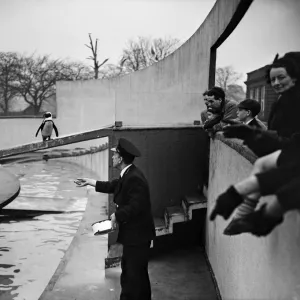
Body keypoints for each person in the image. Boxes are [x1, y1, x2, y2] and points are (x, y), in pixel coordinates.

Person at [220, 52, 300, 235]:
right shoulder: (283, 101)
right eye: (273, 80)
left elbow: (290, 140)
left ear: (294, 76)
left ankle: (245, 215)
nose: (277, 83)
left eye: (281, 77)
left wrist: (254, 136)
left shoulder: (294, 101)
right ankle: (243, 216)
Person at [75, 138, 155, 300]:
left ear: (120, 158)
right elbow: (113, 185)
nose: (112, 157)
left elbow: (137, 205)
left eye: (114, 154)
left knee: (132, 276)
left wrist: (117, 215)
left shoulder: (134, 178)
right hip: (135, 236)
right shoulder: (128, 174)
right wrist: (91, 182)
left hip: (138, 237)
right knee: (135, 273)